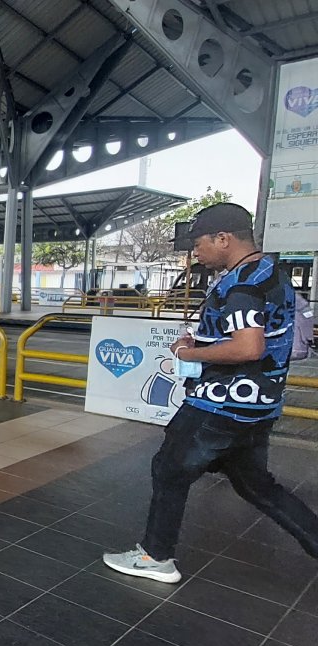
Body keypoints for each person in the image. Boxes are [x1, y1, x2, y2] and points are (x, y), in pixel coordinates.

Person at [103, 203, 318, 583]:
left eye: (198, 243)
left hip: (219, 404)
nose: (195, 253)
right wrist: (201, 339)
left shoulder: (242, 283)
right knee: (258, 487)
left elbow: (248, 347)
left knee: (169, 469)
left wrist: (190, 354)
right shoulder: (271, 273)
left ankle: (156, 556)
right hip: (258, 406)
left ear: (223, 238)